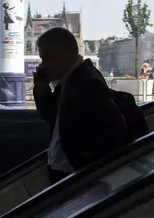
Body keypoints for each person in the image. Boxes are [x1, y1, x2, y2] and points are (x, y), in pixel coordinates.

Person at [33, 27, 126, 184]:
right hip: (68, 170)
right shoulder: (71, 81)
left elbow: (109, 135)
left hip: (75, 174)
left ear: (65, 54)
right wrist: (43, 92)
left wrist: (85, 167)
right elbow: (54, 118)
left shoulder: (87, 84)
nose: (43, 66)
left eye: (48, 58)